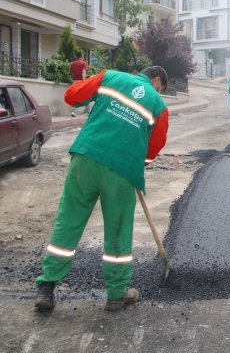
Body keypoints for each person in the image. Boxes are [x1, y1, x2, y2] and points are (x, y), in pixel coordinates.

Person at [34, 66, 170, 312]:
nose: (159, 91)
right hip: (121, 171)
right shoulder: (158, 104)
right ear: (157, 80)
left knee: (68, 220)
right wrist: (139, 164)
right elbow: (156, 143)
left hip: (85, 157)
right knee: (118, 229)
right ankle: (117, 294)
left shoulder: (111, 77)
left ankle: (46, 287)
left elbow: (72, 96)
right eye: (161, 87)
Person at [69, 51, 88, 117]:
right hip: (81, 81)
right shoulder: (84, 63)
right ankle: (88, 111)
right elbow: (83, 72)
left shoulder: (73, 63)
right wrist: (84, 81)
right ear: (82, 56)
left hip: (74, 81)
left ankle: (73, 111)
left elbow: (71, 72)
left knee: (74, 95)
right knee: (87, 94)